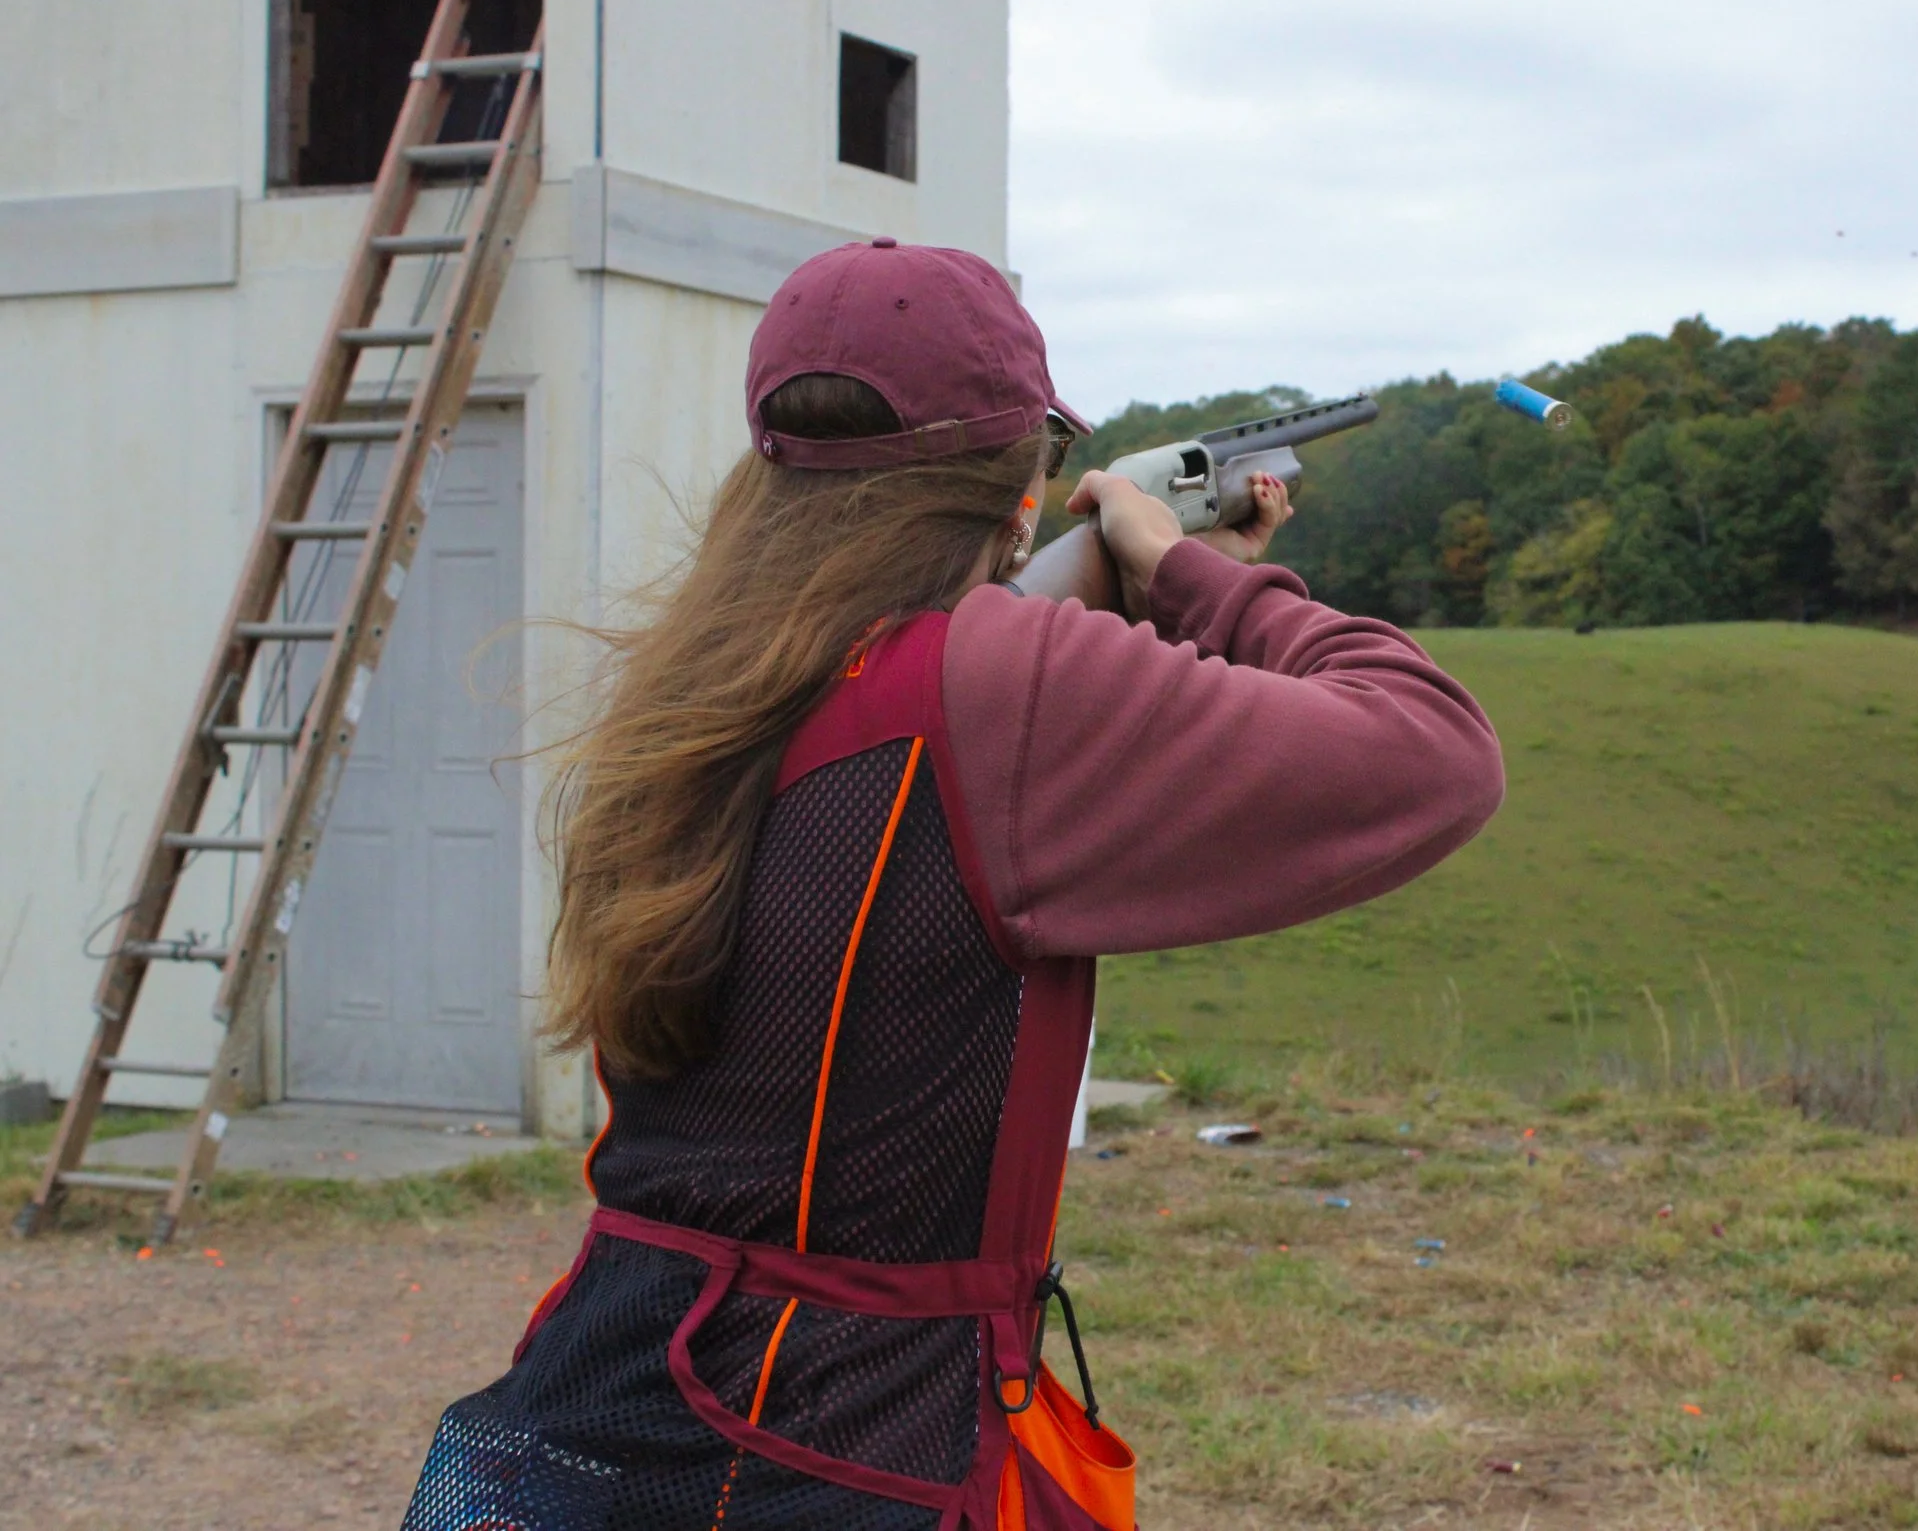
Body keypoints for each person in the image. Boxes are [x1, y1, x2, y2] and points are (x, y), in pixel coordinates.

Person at [398, 238, 1504, 1531]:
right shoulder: (990, 683)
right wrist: (1193, 571)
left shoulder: (696, 680)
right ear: (1015, 482)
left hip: (618, 1396)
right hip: (863, 1454)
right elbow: (1435, 748)